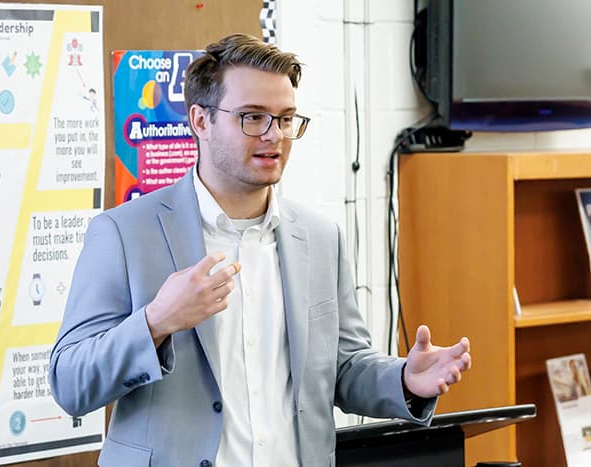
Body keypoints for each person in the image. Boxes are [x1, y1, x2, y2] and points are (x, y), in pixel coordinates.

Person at [49, 33, 472, 467]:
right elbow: (70, 382)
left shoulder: (321, 237)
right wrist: (156, 322)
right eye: (253, 117)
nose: (275, 136)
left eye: (286, 119)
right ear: (200, 120)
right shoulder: (123, 233)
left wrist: (403, 379)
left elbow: (343, 368)